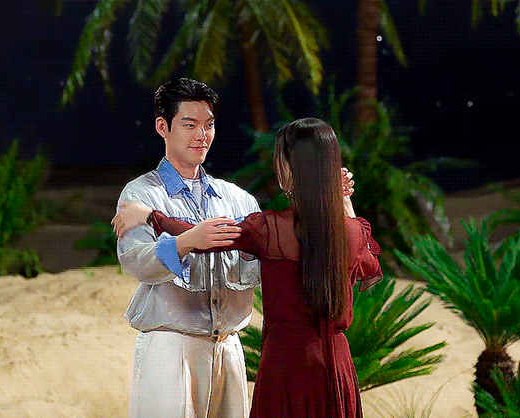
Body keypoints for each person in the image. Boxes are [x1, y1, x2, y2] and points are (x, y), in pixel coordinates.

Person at [114, 117, 383, 418]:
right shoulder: (354, 232)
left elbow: (206, 236)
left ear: (289, 168)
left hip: (286, 367)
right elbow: (368, 264)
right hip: (337, 367)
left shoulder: (271, 230)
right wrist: (342, 199)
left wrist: (151, 216)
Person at [114, 77, 262, 418]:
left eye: (209, 125)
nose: (202, 135)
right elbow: (136, 260)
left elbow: (261, 264)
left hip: (229, 348)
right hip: (170, 346)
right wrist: (185, 242)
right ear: (162, 127)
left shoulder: (238, 199)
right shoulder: (140, 194)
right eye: (190, 125)